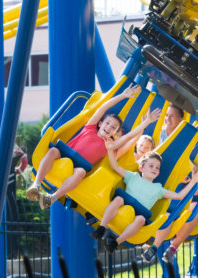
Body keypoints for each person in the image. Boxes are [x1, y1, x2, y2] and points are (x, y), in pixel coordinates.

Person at [26, 84, 161, 209]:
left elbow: (129, 136)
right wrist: (123, 96)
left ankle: (51, 198)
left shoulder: (110, 145)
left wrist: (147, 122)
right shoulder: (90, 127)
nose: (109, 127)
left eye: (114, 127)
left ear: (115, 133)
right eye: (107, 123)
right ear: (100, 123)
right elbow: (102, 109)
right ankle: (36, 185)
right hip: (66, 153)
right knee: (54, 150)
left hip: (79, 166)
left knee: (81, 173)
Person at [92, 144, 198, 254]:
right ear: (141, 168)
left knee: (141, 219)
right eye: (151, 166)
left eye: (157, 167)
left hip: (139, 212)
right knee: (118, 200)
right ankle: (101, 227)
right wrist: (110, 150)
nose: (154, 169)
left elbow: (179, 196)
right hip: (124, 203)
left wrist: (194, 181)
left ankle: (116, 242)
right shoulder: (133, 176)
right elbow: (114, 166)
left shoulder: (158, 188)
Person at [141, 135, 198, 263]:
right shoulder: (185, 168)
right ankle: (153, 246)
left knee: (191, 210)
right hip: (179, 199)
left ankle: (173, 247)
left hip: (197, 201)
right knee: (166, 215)